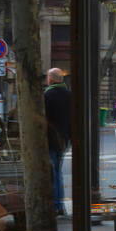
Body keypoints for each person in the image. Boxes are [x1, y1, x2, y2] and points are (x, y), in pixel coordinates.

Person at [44, 68, 71, 216]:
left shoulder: (48, 94)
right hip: (63, 139)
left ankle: (55, 205)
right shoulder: (68, 94)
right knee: (58, 172)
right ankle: (60, 205)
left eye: (48, 77)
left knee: (53, 172)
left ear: (52, 79)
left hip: (50, 139)